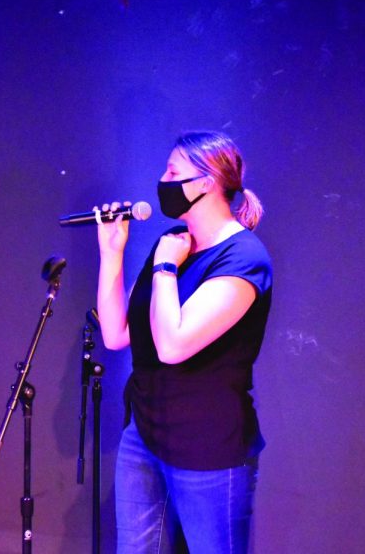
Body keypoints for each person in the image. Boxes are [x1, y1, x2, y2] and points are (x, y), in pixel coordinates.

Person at [95, 132, 272, 553]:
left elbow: (173, 345)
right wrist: (112, 254)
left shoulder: (243, 257)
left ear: (208, 182)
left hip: (209, 447)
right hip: (145, 433)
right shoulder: (171, 244)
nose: (163, 180)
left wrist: (166, 269)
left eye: (173, 171)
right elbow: (116, 333)